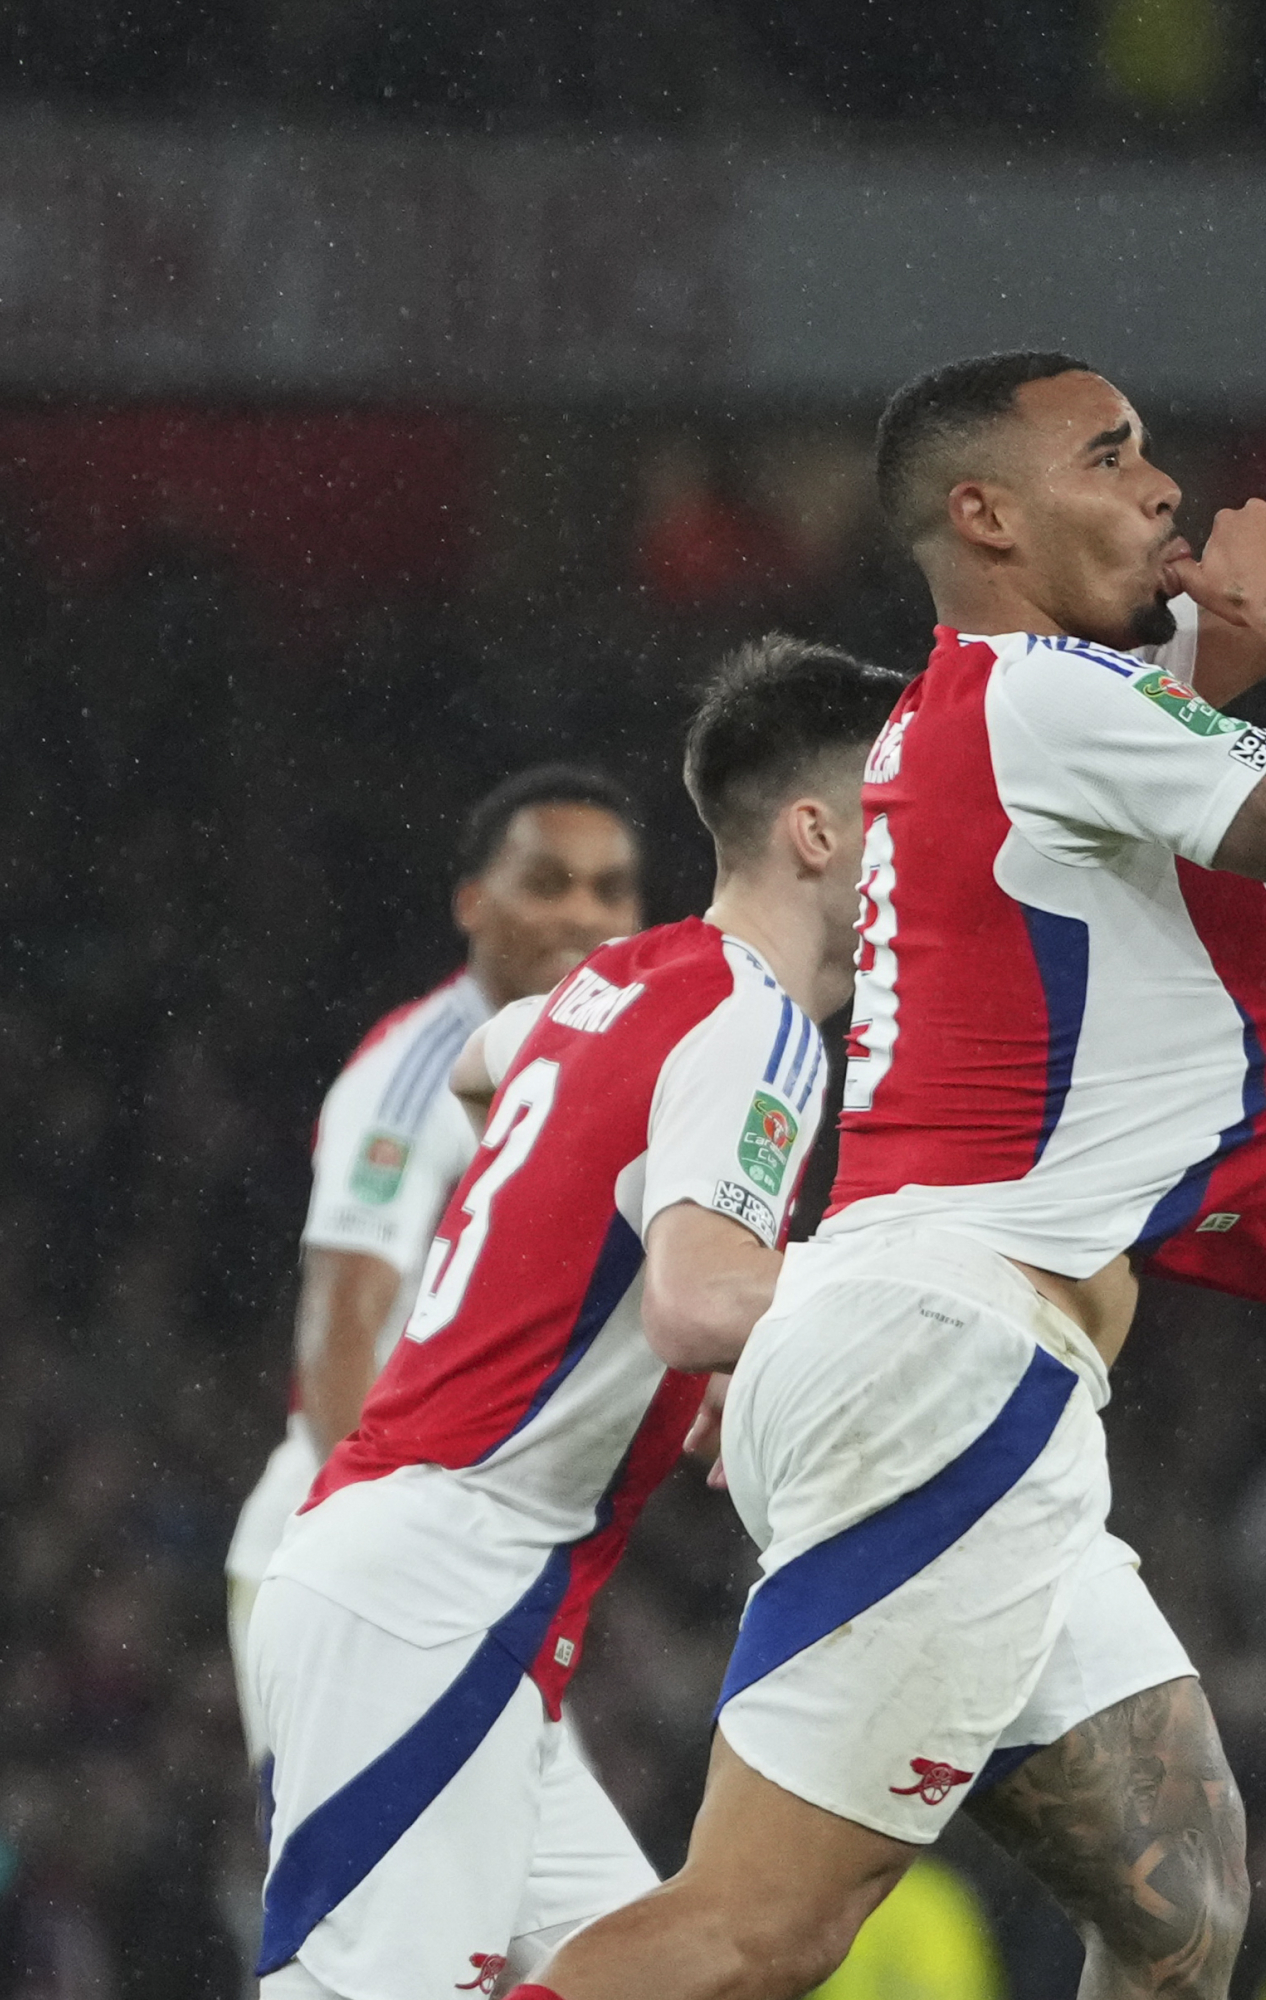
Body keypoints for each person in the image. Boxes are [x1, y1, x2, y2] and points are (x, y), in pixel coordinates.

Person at [525, 109, 1266, 2000]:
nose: (1166, 483)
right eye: (1111, 455)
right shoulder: (1041, 707)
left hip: (931, 1345)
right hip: (947, 1352)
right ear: (988, 521)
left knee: (1183, 1898)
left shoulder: (1035, 718)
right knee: (754, 1930)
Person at [243, 638, 907, 2000]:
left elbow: (497, 1078)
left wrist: (628, 1335)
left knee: (688, 1976)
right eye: (908, 823)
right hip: (436, 1583)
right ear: (817, 834)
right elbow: (702, 1296)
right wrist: (925, 1293)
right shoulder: (759, 1025)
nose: (936, 859)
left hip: (454, 1588)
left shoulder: (618, 985)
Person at [224, 766, 644, 1758]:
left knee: (556, 1911)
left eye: (609, 887)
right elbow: (341, 1324)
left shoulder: (578, 1070)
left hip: (471, 1570)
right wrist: (382, 1564)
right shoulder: (418, 1075)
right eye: (547, 881)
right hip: (363, 1560)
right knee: (373, 1907)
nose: (581, 912)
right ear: (473, 902)